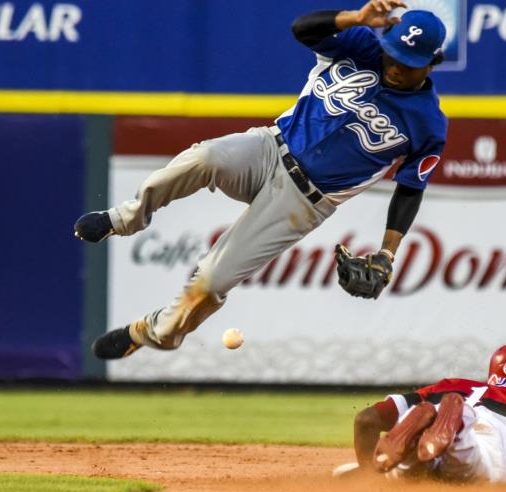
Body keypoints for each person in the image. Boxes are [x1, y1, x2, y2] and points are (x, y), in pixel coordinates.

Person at [74, 0, 449, 359]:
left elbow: (410, 189)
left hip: (303, 202)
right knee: (205, 157)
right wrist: (354, 17)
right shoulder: (361, 47)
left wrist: (387, 253)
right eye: (394, 54)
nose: (397, 65)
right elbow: (301, 29)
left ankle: (154, 333)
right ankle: (126, 218)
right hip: (270, 147)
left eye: (410, 62)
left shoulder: (428, 124)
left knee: (212, 281)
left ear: (433, 63)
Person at [346, 342, 506, 482]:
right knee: (470, 463)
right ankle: (458, 427)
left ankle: (424, 423)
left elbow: (366, 419)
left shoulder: (452, 385)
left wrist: (368, 478)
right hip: (485, 442)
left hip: (445, 405)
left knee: (407, 474)